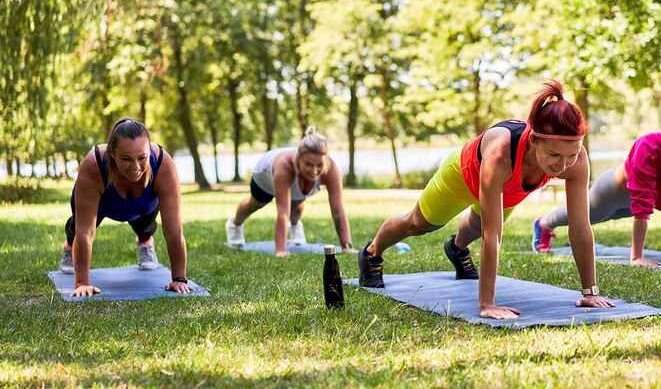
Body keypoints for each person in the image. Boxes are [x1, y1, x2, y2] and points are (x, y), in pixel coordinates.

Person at [357, 81, 615, 320]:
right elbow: (494, 236)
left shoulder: (576, 159)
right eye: (554, 155)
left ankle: (456, 249)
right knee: (419, 224)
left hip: (509, 187)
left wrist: (589, 291)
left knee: (474, 227)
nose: (563, 165)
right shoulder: (501, 153)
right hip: (462, 174)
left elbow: (580, 227)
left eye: (571, 155)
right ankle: (371, 253)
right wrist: (487, 304)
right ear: (534, 140)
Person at [532, 101, 661, 268]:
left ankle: (546, 224)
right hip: (612, 191)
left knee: (604, 217)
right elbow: (642, 199)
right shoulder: (649, 146)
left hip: (637, 204)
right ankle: (544, 224)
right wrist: (636, 257)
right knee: (590, 215)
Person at [59, 118, 193, 296]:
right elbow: (85, 232)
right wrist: (82, 283)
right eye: (126, 159)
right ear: (112, 153)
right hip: (103, 203)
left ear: (149, 150)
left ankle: (145, 242)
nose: (136, 166)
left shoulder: (163, 164)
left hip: (143, 205)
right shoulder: (95, 164)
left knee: (145, 227)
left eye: (142, 158)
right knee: (76, 229)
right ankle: (69, 246)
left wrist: (179, 279)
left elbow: (174, 230)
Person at [225, 126, 355, 257]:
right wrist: (281, 251)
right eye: (308, 164)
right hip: (265, 179)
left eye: (319, 165)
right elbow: (283, 212)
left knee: (297, 207)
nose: (314, 170)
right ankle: (235, 225)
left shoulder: (331, 169)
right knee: (255, 204)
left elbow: (338, 210)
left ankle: (295, 228)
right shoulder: (284, 166)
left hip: (297, 180)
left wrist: (346, 246)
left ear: (325, 160)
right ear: (298, 159)